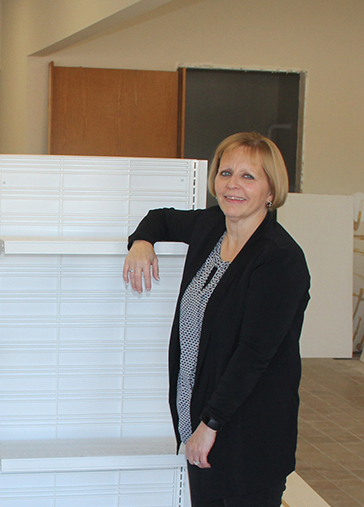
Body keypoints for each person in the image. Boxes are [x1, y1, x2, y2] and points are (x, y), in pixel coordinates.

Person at [123, 132, 309, 507]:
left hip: (245, 433)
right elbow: (159, 219)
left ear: (271, 191)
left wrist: (210, 426)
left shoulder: (279, 259)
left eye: (248, 176)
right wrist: (141, 242)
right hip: (201, 424)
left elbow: (254, 356)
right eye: (226, 173)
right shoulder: (212, 227)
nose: (233, 185)